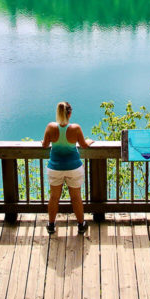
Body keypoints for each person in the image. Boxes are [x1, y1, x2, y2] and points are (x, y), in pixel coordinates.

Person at [41, 101, 93, 235]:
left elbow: (45, 145)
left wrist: (44, 141)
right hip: (73, 168)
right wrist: (89, 141)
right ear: (69, 113)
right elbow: (83, 145)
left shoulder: (50, 127)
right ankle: (81, 225)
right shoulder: (75, 128)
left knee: (54, 197)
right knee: (76, 197)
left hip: (55, 167)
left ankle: (51, 225)